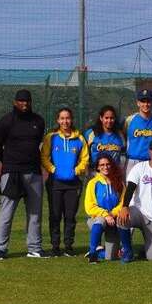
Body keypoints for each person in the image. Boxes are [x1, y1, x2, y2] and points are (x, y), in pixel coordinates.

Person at [0, 89, 47, 259]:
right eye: (21, 101)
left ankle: (34, 248)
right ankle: (0, 249)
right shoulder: (6, 121)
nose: (25, 104)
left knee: (35, 213)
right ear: (15, 102)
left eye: (27, 101)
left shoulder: (38, 121)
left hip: (34, 173)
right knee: (6, 212)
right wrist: (7, 162)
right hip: (12, 173)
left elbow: (37, 143)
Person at [41, 107, 89, 257]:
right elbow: (44, 157)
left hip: (73, 184)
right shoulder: (51, 137)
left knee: (70, 216)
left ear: (72, 119)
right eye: (62, 118)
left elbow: (85, 159)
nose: (65, 121)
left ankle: (68, 246)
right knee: (55, 215)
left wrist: (76, 171)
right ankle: (55, 247)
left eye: (67, 118)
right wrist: (54, 170)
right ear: (57, 120)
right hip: (55, 183)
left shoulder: (79, 138)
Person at [83, 154, 124, 263]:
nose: (105, 167)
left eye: (108, 164)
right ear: (97, 167)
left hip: (113, 221)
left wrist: (113, 214)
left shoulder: (119, 183)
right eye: (102, 165)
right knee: (101, 220)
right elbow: (89, 206)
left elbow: (123, 203)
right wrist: (105, 214)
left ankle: (100, 250)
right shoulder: (93, 183)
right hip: (96, 219)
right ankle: (92, 254)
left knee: (111, 257)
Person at [123, 88, 152, 175]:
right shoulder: (129, 120)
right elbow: (123, 138)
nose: (146, 104)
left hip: (151, 162)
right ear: (138, 103)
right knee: (131, 188)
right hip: (132, 161)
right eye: (143, 101)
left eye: (148, 101)